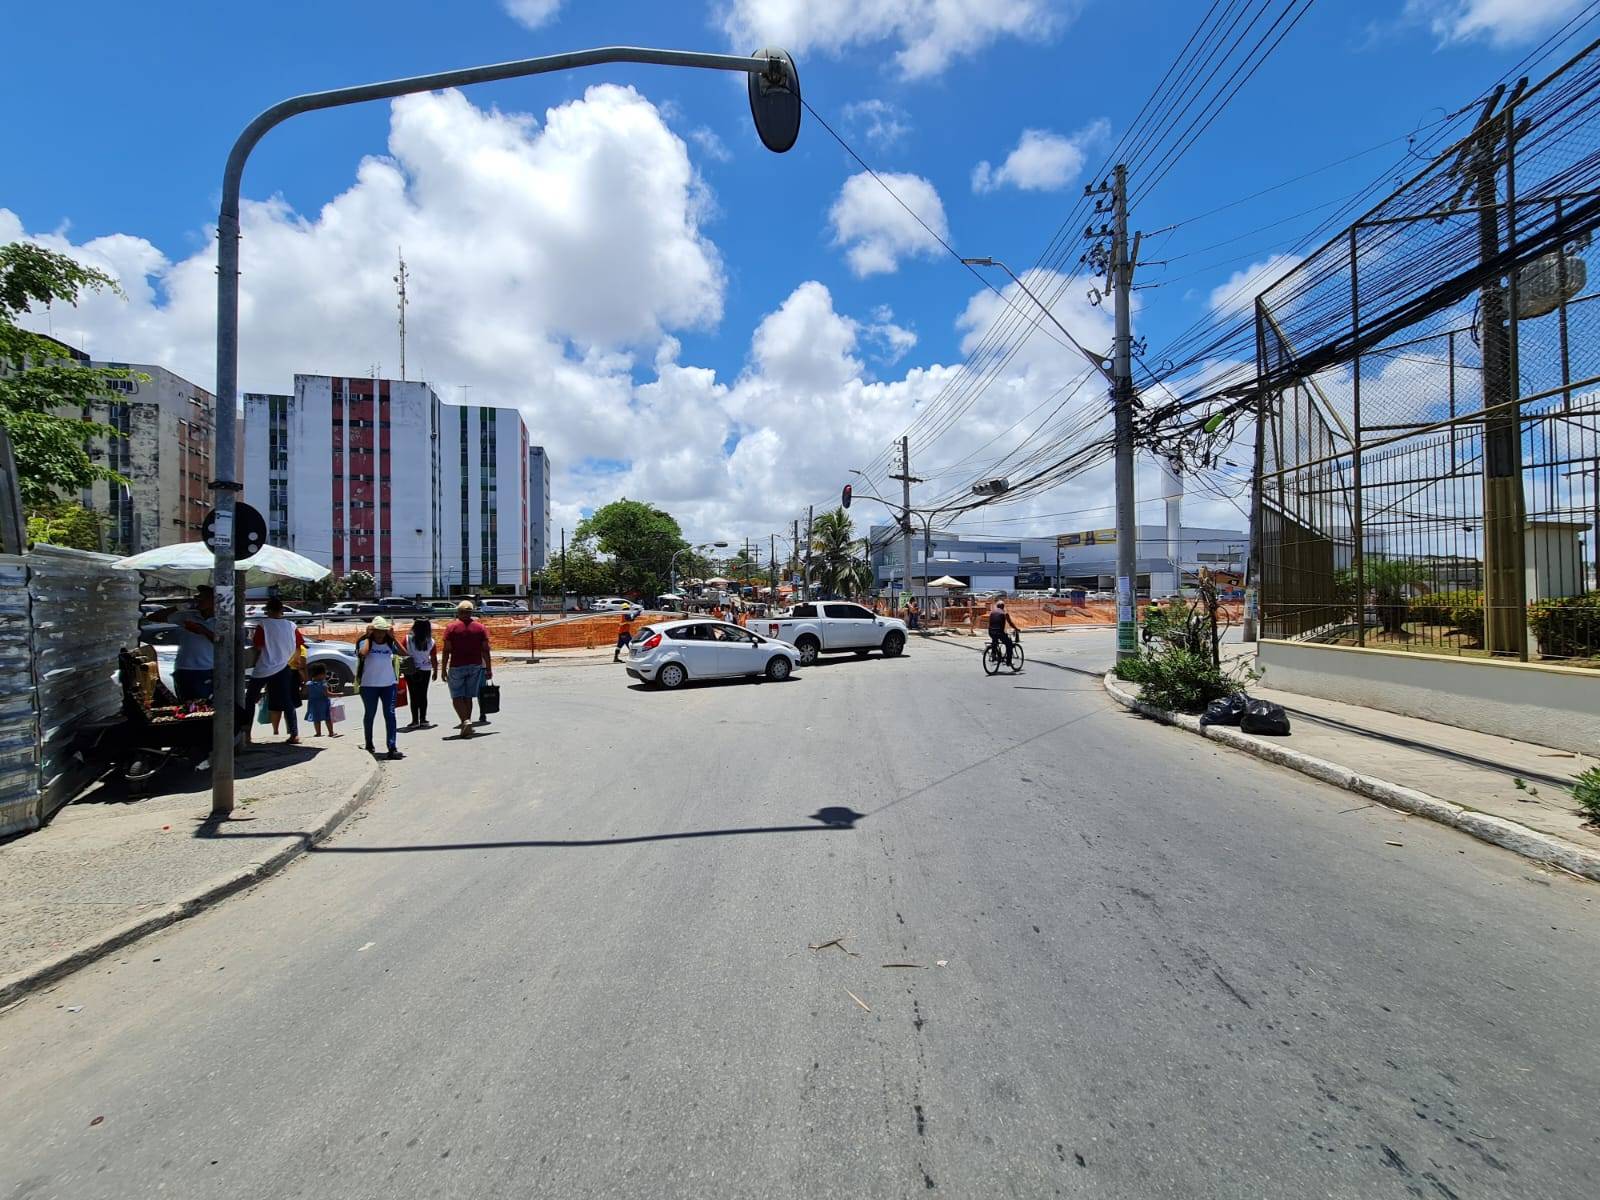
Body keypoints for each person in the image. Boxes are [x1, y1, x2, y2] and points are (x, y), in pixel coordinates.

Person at [250, 598, 306, 744]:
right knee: (287, 701)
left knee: (250, 700)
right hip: (284, 666)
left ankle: (245, 734)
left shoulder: (263, 625)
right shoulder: (291, 625)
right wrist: (298, 665)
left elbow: (258, 647)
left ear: (267, 610)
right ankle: (294, 734)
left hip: (264, 667)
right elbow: (299, 646)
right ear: (282, 610)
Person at [440, 600, 493, 737]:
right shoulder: (480, 628)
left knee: (457, 696)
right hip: (475, 665)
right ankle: (467, 725)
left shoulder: (451, 628)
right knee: (468, 696)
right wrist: (488, 668)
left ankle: (466, 721)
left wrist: (443, 668)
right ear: (471, 612)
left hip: (457, 665)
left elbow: (447, 650)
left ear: (458, 612)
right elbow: (485, 650)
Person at [356, 616, 403, 759]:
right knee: (370, 714)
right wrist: (369, 638)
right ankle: (369, 743)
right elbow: (362, 654)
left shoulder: (389, 644)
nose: (380, 634)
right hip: (369, 685)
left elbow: (404, 653)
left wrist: (393, 638)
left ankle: (392, 746)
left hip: (388, 685)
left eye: (383, 631)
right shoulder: (365, 642)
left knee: (390, 714)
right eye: (377, 631)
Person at [163, 585, 217, 701]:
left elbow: (224, 643)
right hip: (183, 669)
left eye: (204, 598)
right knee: (186, 706)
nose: (199, 600)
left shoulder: (222, 620)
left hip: (205, 669)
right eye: (198, 597)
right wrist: (180, 607)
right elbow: (155, 617)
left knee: (203, 707)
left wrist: (204, 631)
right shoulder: (188, 615)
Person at [403, 618, 438, 729]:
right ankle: (423, 719)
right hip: (425, 669)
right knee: (423, 694)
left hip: (411, 670)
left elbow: (402, 652)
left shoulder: (407, 639)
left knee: (413, 695)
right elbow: (433, 658)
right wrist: (435, 671)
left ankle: (414, 720)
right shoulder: (431, 641)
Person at [305, 663, 340, 738]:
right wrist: (338, 694)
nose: (325, 675)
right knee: (328, 718)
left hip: (313, 704)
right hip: (323, 703)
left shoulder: (308, 684)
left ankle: (318, 733)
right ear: (320, 674)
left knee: (316, 719)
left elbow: (305, 693)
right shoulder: (323, 684)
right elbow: (327, 694)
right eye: (325, 674)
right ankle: (331, 732)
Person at [988, 597, 1023, 667]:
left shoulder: (992, 612)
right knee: (1009, 644)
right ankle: (1008, 661)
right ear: (1003, 606)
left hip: (991, 632)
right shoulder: (1004, 613)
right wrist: (1016, 628)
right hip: (999, 633)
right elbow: (1010, 623)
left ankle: (994, 653)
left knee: (994, 640)